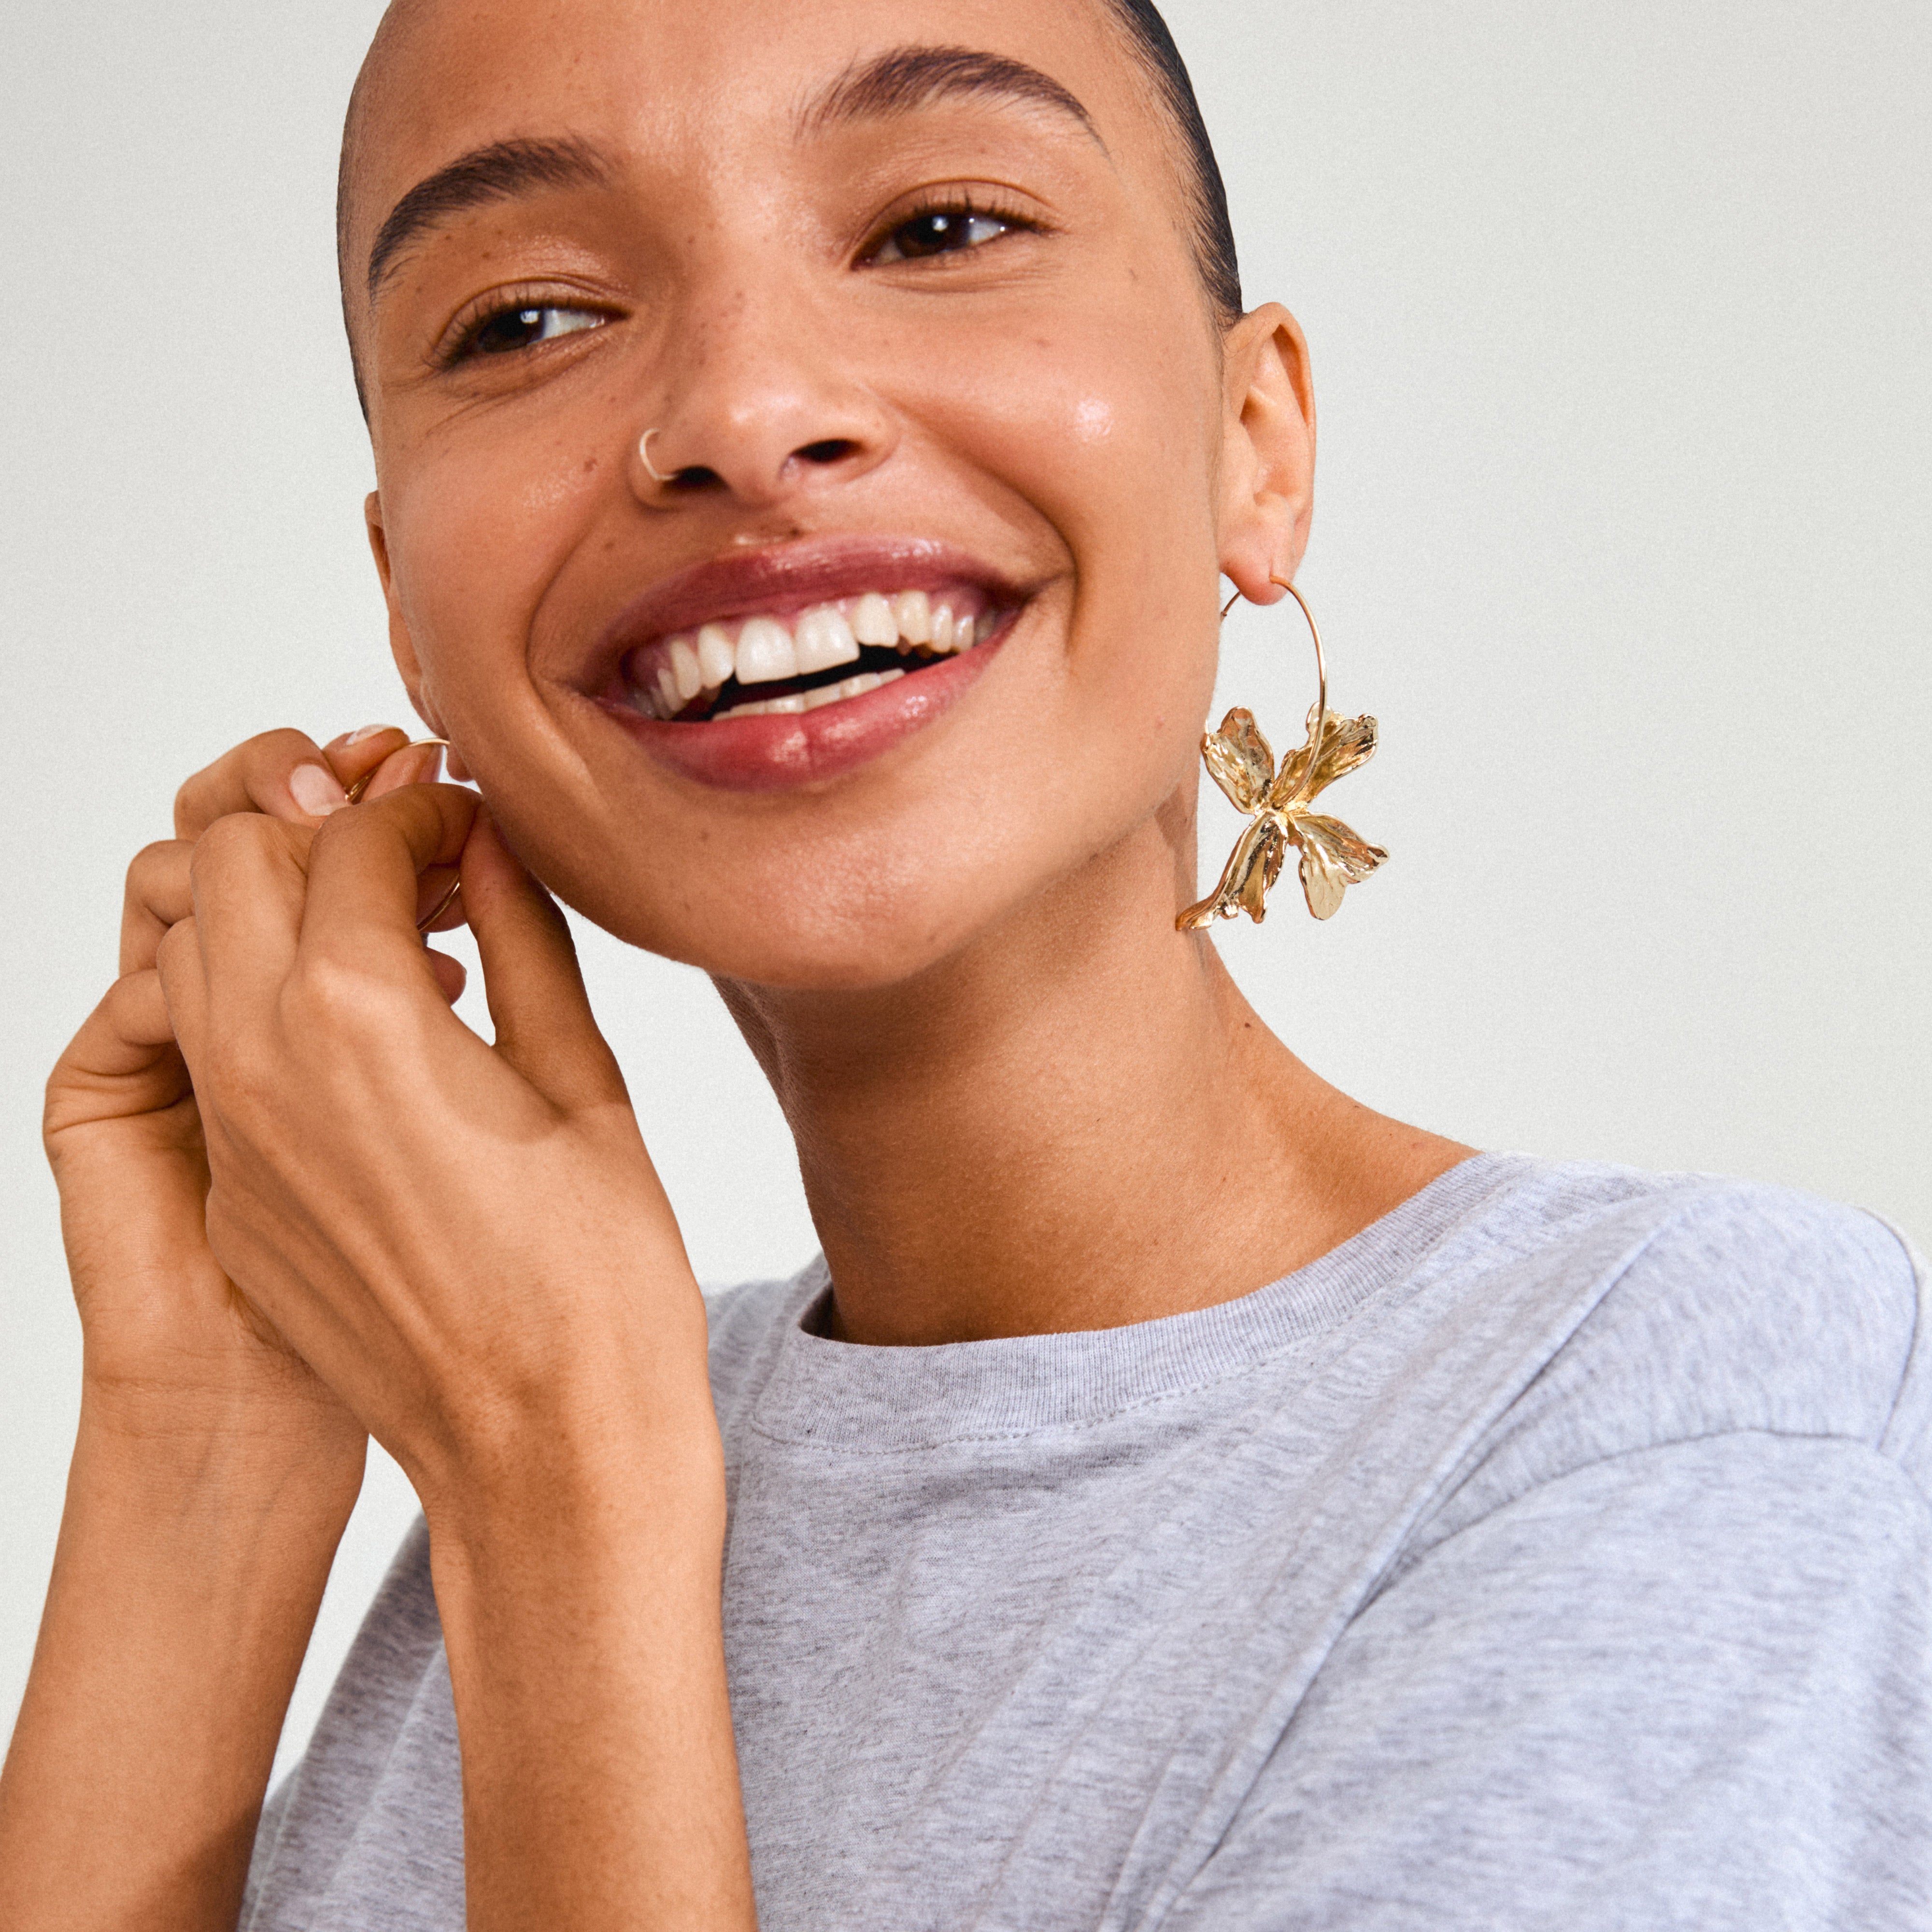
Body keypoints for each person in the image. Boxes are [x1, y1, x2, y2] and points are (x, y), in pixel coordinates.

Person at [2, 0, 1927, 1926]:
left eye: (935, 229)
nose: (744, 418)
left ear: (1252, 443)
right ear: (410, 613)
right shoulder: (556, 1389)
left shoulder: (1685, 1402)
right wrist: (203, 1431)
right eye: (526, 319)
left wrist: (550, 1487)